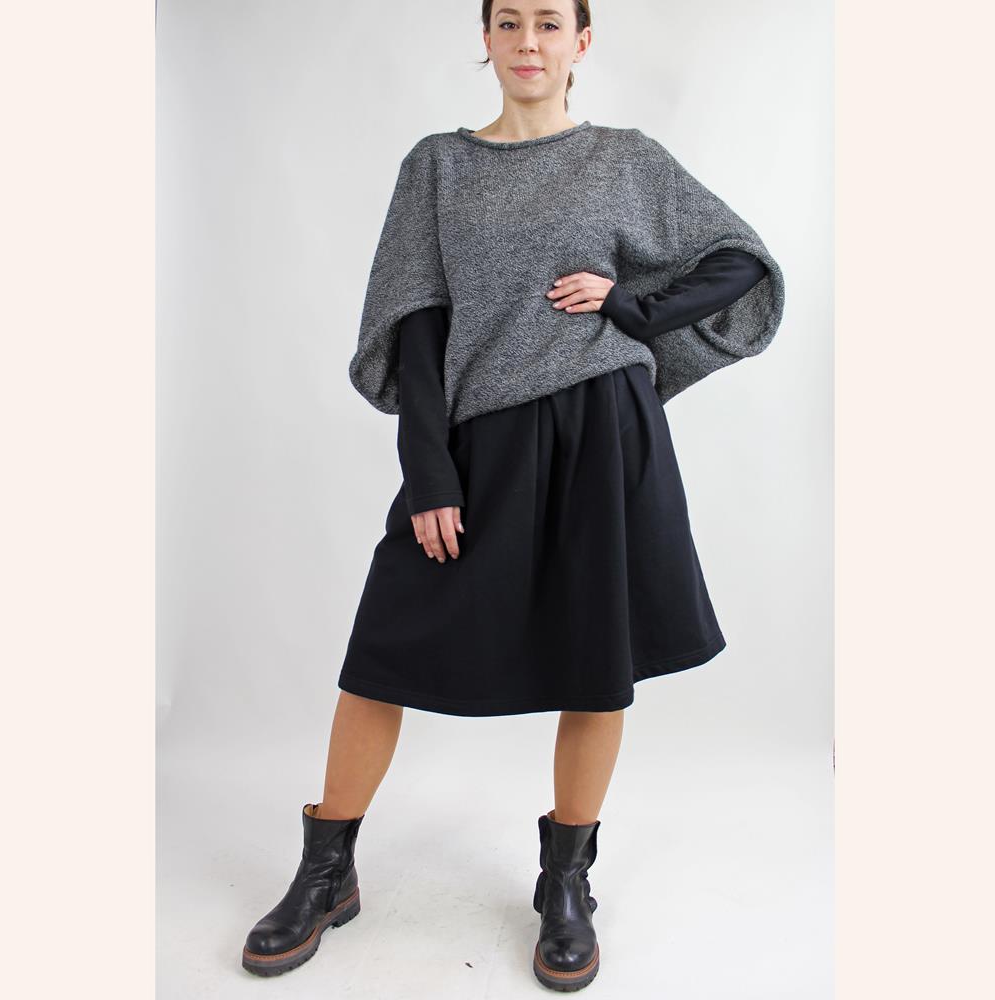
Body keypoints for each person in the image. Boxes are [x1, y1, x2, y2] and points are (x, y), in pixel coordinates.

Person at [241, 0, 785, 990]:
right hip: (479, 435)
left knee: (596, 660)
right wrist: (428, 471)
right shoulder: (438, 167)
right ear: (485, 37)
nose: (528, 42)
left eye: (548, 23)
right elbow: (415, 324)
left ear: (582, 41)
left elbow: (741, 261)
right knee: (381, 653)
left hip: (606, 430)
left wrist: (634, 306)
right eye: (509, 23)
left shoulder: (626, 159)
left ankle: (566, 881)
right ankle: (327, 870)